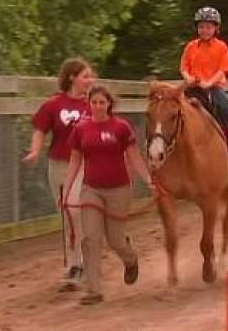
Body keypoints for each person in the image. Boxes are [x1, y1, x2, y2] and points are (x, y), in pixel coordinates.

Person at [63, 84, 154, 305]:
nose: (97, 106)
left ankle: (130, 259)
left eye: (102, 102)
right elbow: (75, 160)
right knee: (90, 238)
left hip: (119, 188)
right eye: (93, 102)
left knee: (115, 239)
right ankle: (94, 290)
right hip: (91, 189)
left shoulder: (121, 127)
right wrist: (67, 189)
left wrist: (149, 180)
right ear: (89, 104)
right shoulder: (81, 130)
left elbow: (133, 156)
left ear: (109, 104)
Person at [22, 57, 95, 290]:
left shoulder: (93, 105)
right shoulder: (53, 105)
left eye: (91, 76)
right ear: (72, 77)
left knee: (74, 209)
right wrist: (35, 151)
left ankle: (81, 262)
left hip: (85, 165)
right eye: (85, 76)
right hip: (58, 166)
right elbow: (40, 129)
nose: (90, 80)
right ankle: (76, 265)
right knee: (68, 215)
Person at [180, 6, 228, 156]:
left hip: (212, 87)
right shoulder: (190, 47)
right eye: (201, 27)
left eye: (208, 27)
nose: (204, 30)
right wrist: (188, 78)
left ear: (215, 29)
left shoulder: (221, 47)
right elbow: (184, 67)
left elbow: (223, 70)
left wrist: (208, 83)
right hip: (193, 87)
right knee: (174, 108)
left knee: (225, 107)